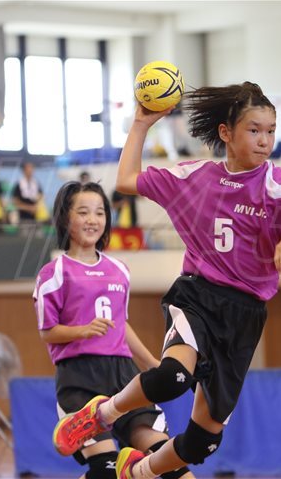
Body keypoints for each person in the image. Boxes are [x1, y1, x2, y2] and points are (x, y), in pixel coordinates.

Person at [53, 82, 281, 478]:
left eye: (271, 131)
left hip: (246, 314)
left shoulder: (279, 185)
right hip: (198, 296)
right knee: (172, 376)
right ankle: (100, 414)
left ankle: (136, 473)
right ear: (226, 133)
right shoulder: (196, 176)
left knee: (203, 441)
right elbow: (126, 180)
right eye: (254, 130)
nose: (264, 140)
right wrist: (141, 124)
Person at [34, 182, 193, 479]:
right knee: (104, 468)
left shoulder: (119, 270)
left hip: (123, 373)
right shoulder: (54, 272)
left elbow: (121, 325)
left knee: (165, 459)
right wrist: (82, 331)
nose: (92, 220)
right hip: (79, 376)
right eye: (83, 212)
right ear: (65, 217)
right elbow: (47, 332)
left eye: (99, 212)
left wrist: (153, 364)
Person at [12, 162, 49, 235]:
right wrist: (29, 208)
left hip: (37, 218)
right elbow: (15, 202)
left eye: (32, 168)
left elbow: (41, 196)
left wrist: (37, 206)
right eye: (28, 169)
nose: (30, 171)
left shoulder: (36, 183)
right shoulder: (19, 184)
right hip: (24, 218)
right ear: (24, 171)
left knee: (38, 237)